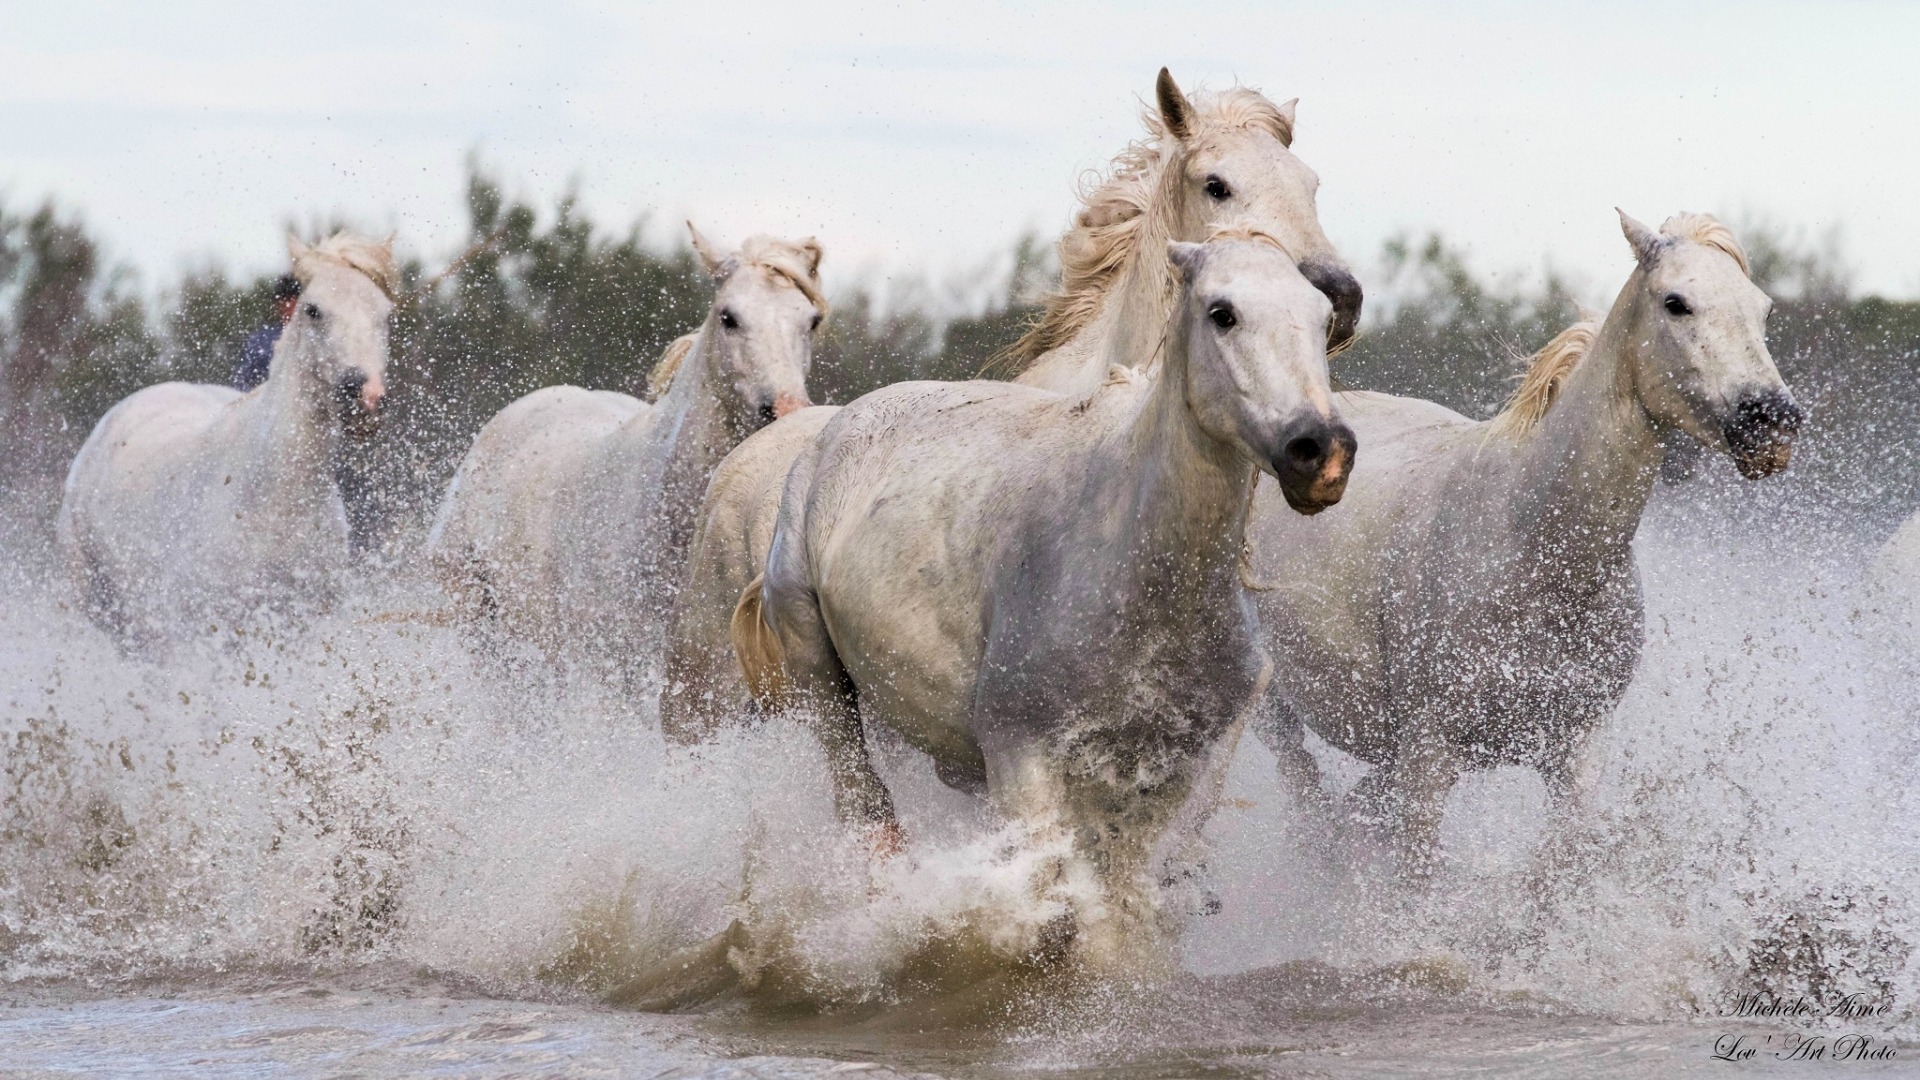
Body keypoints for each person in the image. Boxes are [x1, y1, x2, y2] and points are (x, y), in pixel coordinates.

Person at [231, 274, 302, 391]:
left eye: (291, 300)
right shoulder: (261, 340)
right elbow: (241, 379)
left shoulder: (311, 338)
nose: (286, 306)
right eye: (281, 301)